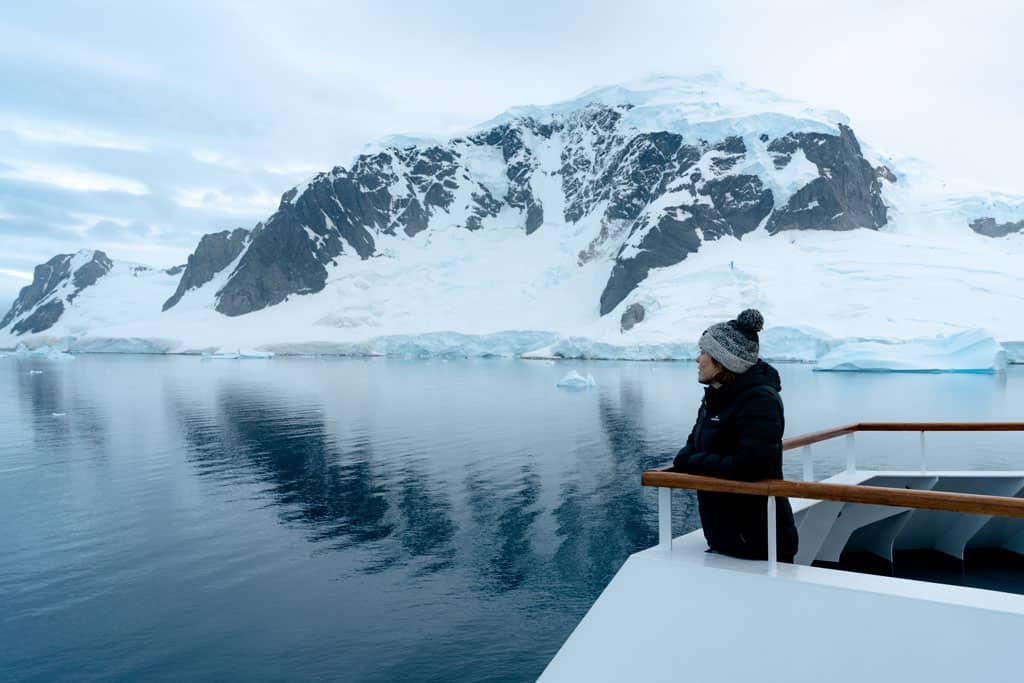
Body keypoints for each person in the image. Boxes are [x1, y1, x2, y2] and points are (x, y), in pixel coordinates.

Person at [671, 308, 798, 562]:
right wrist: (690, 458)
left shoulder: (760, 400)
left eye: (703, 352)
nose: (698, 359)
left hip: (759, 540)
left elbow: (751, 466)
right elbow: (689, 447)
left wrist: (692, 462)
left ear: (722, 360)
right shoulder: (716, 397)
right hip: (725, 537)